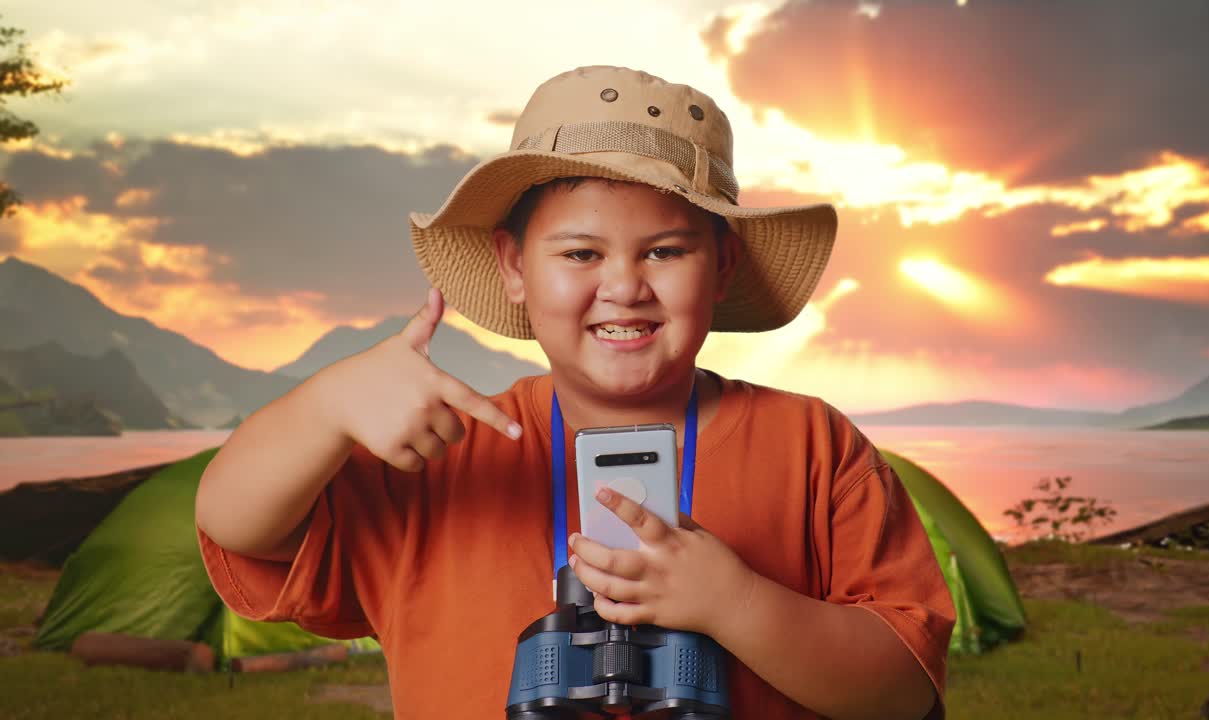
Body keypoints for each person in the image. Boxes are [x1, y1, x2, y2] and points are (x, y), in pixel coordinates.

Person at [195, 65, 955, 720]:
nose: (624, 286)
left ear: (722, 267)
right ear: (514, 266)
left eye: (665, 251)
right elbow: (237, 528)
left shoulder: (813, 447)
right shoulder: (444, 453)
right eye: (581, 253)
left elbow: (904, 689)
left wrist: (736, 604)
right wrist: (325, 406)